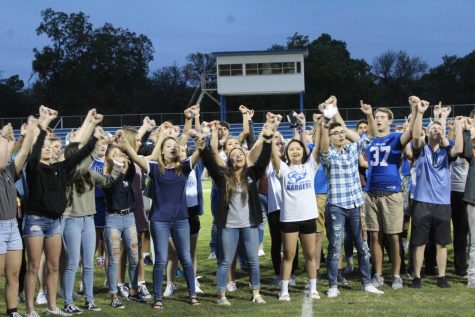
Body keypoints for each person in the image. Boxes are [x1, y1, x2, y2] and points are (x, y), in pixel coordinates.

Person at [23, 106, 102, 317]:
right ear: (38, 150)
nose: (48, 149)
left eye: (51, 147)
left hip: (54, 222)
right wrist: (43, 128)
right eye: (45, 147)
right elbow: (35, 151)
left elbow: (80, 154)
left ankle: (52, 306)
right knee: (33, 266)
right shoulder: (34, 169)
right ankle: (30, 309)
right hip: (36, 221)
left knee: (54, 266)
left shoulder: (60, 168)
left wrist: (94, 137)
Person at [118, 123, 203, 310]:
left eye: (175, 145)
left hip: (181, 219)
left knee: (186, 258)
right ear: (162, 152)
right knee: (162, 259)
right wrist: (124, 141)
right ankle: (158, 298)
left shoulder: (184, 167)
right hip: (159, 220)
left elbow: (198, 153)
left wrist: (200, 144)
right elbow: (134, 156)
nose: (172, 147)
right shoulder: (155, 168)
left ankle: (193, 294)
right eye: (168, 145)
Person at [201, 123, 273, 305]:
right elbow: (210, 159)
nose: (238, 156)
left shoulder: (252, 174)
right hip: (229, 226)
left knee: (253, 261)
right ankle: (221, 295)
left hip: (249, 225)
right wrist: (204, 144)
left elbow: (264, 159)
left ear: (245, 157)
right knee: (225, 261)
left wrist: (269, 139)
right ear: (230, 161)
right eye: (234, 155)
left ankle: (256, 293)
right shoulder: (222, 176)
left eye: (240, 154)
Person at [319, 96, 383, 298]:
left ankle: (367, 282)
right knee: (335, 247)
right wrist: (325, 125)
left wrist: (368, 115)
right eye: (335, 133)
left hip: (355, 204)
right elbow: (322, 147)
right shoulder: (328, 154)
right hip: (336, 205)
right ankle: (333, 285)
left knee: (363, 247)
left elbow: (371, 136)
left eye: (341, 133)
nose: (339, 135)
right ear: (329, 138)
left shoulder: (352, 149)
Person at [409, 99, 464, 288]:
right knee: (419, 242)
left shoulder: (446, 152)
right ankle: (417, 276)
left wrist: (457, 125)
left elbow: (459, 148)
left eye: (439, 129)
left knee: (442, 243)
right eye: (433, 128)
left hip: (442, 202)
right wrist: (421, 113)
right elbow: (416, 136)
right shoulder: (420, 150)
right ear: (428, 133)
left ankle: (441, 277)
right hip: (422, 201)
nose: (436, 130)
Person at [364, 98, 416, 289]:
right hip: (370, 192)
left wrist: (415, 111)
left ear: (390, 121)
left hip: (391, 191)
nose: (378, 119)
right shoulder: (369, 139)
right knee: (374, 236)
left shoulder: (395, 137)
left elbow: (411, 134)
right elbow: (348, 133)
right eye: (376, 117)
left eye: (382, 117)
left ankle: (396, 275)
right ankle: (377, 274)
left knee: (394, 236)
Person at [271, 112, 321, 301]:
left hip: (308, 217)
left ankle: (313, 288)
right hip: (289, 219)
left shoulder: (310, 166)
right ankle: (284, 290)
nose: (295, 151)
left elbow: (317, 148)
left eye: (298, 149)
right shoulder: (282, 169)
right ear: (286, 153)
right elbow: (273, 152)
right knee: (289, 254)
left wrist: (318, 126)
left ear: (303, 151)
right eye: (291, 149)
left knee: (310, 255)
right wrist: (273, 128)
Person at [1, 119, 36, 317]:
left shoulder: (8, 172)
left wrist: (29, 134)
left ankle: (12, 311)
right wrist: (5, 136)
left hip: (13, 226)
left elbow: (22, 154)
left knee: (13, 274)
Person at [462, 111, 475, 287]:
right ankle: (472, 276)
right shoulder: (471, 140)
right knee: (474, 241)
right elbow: (466, 153)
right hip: (473, 197)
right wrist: (467, 132)